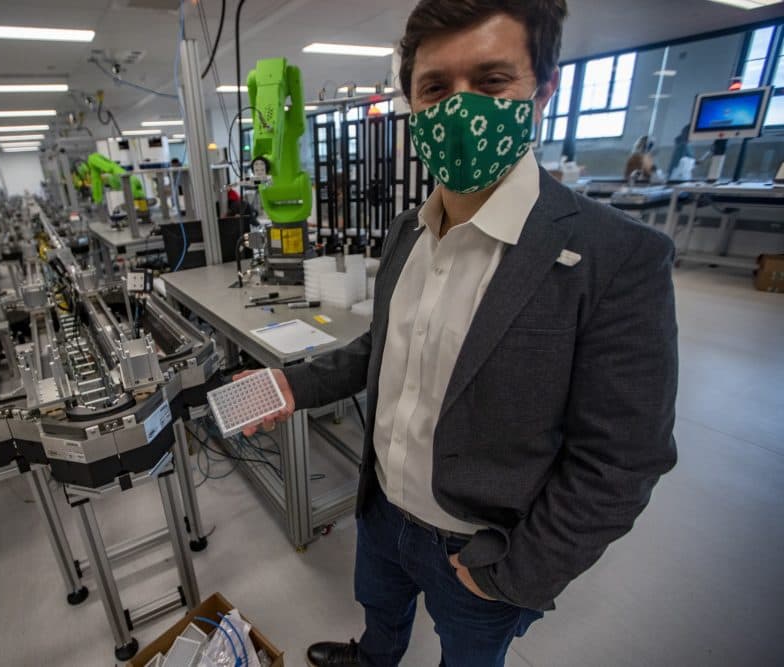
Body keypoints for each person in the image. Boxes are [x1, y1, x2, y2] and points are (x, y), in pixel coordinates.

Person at [238, 2, 678, 665]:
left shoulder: (616, 257)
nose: (459, 109)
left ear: (543, 89)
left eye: (493, 81)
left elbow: (621, 461)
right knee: (379, 612)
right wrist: (289, 383)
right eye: (437, 88)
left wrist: (514, 572)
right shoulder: (406, 232)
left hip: (479, 547)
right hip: (383, 510)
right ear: (412, 100)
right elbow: (378, 350)